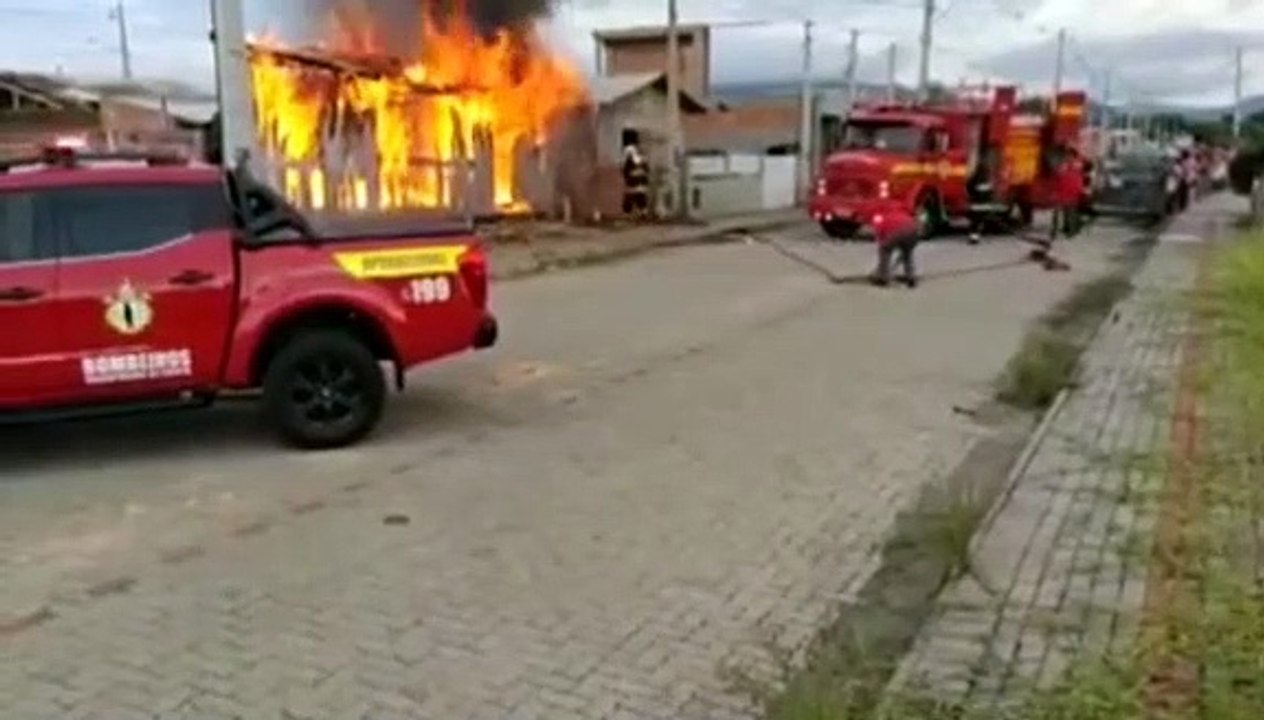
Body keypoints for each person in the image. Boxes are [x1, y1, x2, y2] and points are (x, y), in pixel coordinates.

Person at [866, 206, 921, 288]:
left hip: (897, 231)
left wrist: (883, 245)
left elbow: (880, 236)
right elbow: (915, 218)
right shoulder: (898, 212)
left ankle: (883, 277)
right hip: (913, 230)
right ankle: (910, 277)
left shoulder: (879, 218)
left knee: (884, 250)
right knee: (907, 254)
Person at [622, 141, 650, 219]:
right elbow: (626, 172)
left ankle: (641, 212)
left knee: (639, 197)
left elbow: (647, 170)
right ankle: (634, 213)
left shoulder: (640, 160)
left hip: (638, 183)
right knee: (634, 197)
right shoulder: (631, 161)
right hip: (634, 183)